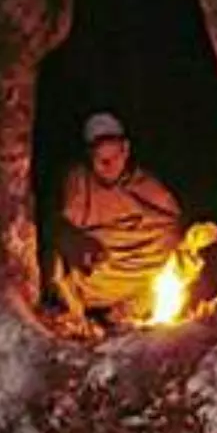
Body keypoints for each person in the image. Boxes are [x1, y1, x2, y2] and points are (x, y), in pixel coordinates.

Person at [49, 112, 187, 333]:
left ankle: (128, 311)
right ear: (88, 156)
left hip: (144, 284)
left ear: (126, 150)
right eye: (100, 158)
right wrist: (76, 242)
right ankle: (88, 317)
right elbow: (58, 229)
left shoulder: (148, 187)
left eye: (115, 155)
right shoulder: (79, 184)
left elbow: (172, 227)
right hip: (97, 282)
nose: (108, 164)